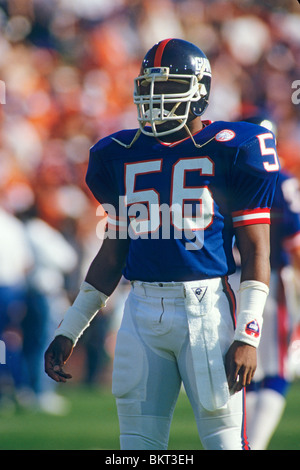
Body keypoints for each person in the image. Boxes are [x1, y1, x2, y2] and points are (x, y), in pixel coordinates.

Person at [44, 38, 280, 450]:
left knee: (225, 444)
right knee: (137, 447)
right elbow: (113, 252)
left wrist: (248, 334)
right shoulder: (117, 154)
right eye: (148, 89)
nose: (155, 100)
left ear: (199, 93)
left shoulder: (234, 149)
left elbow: (257, 249)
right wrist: (70, 328)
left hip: (206, 311)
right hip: (141, 312)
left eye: (168, 88)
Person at [230, 116, 300, 450]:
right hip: (272, 279)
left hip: (232, 280)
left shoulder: (223, 177)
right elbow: (295, 244)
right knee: (275, 369)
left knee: (247, 369)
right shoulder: (282, 180)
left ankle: (244, 443)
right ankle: (252, 445)